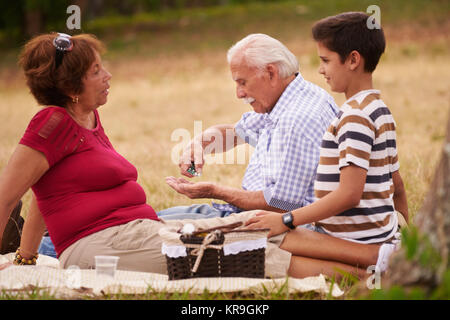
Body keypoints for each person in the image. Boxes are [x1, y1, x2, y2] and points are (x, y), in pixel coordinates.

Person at [0, 32, 391, 280]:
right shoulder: (51, 124)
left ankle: (376, 260)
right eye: (97, 71)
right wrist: (27, 259)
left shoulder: (85, 117)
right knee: (239, 248)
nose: (109, 77)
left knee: (246, 229)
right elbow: (14, 195)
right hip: (103, 243)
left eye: (242, 82)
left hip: (136, 230)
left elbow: (44, 189)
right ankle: (369, 277)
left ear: (270, 73)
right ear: (72, 87)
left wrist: (27, 259)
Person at [244, 12, 409, 277]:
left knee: (260, 241)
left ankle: (367, 273)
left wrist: (286, 219)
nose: (320, 69)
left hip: (352, 239)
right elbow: (396, 183)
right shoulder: (379, 109)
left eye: (325, 60)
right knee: (263, 234)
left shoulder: (355, 116)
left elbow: (349, 194)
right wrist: (405, 234)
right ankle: (382, 261)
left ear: (353, 60)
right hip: (375, 234)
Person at [158, 33, 339, 220]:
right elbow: (235, 133)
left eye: (242, 82)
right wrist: (198, 144)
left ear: (271, 73)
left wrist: (216, 191)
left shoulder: (297, 118)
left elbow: (281, 205)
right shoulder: (294, 95)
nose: (239, 93)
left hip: (278, 225)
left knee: (152, 227)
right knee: (153, 218)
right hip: (255, 215)